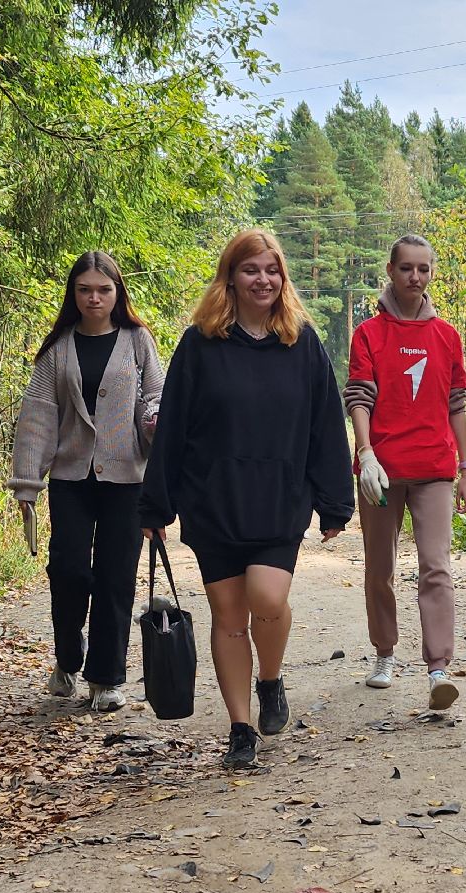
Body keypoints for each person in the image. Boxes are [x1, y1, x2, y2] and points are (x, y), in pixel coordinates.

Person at [139, 229, 353, 769]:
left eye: (272, 270)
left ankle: (271, 679)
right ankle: (239, 728)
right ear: (230, 277)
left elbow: (326, 424)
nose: (263, 279)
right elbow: (174, 430)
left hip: (280, 496)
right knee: (229, 617)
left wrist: (334, 502)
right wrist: (156, 505)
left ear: (283, 278)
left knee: (268, 598)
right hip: (214, 500)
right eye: (251, 270)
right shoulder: (200, 344)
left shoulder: (300, 342)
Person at [10, 250, 164, 712]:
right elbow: (38, 417)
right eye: (84, 289)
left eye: (103, 289)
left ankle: (107, 678)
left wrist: (155, 424)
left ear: (118, 293)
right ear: (73, 294)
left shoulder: (137, 341)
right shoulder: (58, 349)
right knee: (69, 571)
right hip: (72, 478)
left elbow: (155, 395)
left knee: (116, 577)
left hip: (126, 478)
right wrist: (27, 484)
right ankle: (67, 658)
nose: (94, 297)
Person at [344, 235, 466, 711]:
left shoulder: (447, 336)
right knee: (380, 567)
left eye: (423, 269)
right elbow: (359, 398)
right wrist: (366, 453)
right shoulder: (369, 334)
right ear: (391, 271)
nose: (414, 277)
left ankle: (438, 666)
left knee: (436, 567)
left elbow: (456, 405)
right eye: (406, 269)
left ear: (431, 274)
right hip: (382, 471)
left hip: (434, 468)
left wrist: (465, 468)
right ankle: (383, 652)